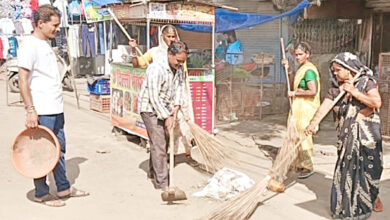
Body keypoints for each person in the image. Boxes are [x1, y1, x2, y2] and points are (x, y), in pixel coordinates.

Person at [18, 5, 88, 207]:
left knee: (59, 150)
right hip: (42, 110)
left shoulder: (45, 44)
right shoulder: (29, 45)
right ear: (41, 24)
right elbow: (23, 80)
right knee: (41, 151)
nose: (58, 29)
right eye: (55, 25)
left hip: (55, 108)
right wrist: (31, 110)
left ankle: (64, 187)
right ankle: (42, 193)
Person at [306, 52, 383, 219]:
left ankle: (372, 197)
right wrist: (313, 123)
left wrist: (354, 91)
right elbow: (323, 109)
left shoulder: (366, 82)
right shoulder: (335, 90)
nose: (335, 73)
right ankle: (346, 209)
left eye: (338, 70)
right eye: (333, 70)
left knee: (370, 173)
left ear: (349, 70)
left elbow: (376, 103)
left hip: (367, 139)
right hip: (346, 140)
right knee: (345, 173)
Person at [130, 25, 196, 165]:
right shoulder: (154, 53)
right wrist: (133, 50)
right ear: (162, 37)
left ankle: (176, 157)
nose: (171, 40)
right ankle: (162, 167)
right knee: (160, 138)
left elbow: (181, 76)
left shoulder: (180, 52)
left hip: (176, 95)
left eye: (174, 37)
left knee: (179, 129)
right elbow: (137, 64)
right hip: (157, 101)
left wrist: (178, 105)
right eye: (169, 37)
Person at [138, 41, 188, 190]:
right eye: (178, 61)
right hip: (150, 108)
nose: (180, 64)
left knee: (164, 141)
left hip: (166, 108)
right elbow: (154, 97)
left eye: (183, 62)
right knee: (159, 142)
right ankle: (163, 184)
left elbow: (180, 88)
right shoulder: (156, 69)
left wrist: (176, 109)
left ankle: (153, 172)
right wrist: (166, 117)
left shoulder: (178, 69)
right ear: (170, 54)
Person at [282, 42, 320, 179]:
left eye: (300, 54)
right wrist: (288, 70)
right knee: (296, 135)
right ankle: (299, 163)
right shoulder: (301, 68)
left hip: (306, 109)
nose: (298, 57)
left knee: (304, 137)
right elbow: (292, 84)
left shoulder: (309, 70)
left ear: (307, 54)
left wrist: (295, 94)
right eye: (296, 55)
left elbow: (313, 91)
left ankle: (308, 166)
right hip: (298, 108)